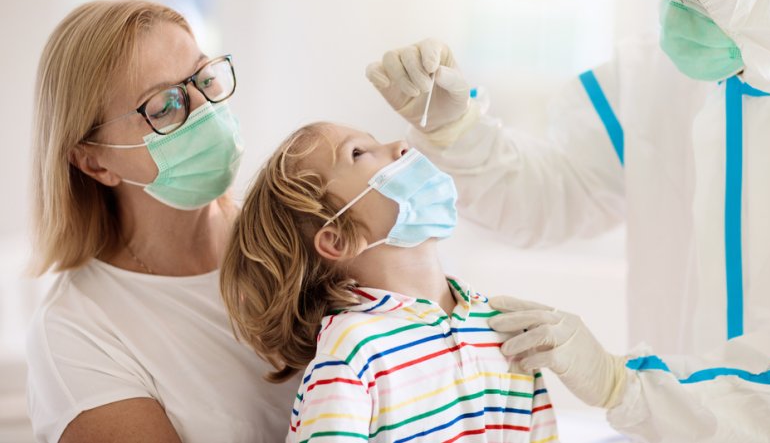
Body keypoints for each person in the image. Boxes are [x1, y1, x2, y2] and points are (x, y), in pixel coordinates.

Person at [365, 0, 770, 441]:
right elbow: (554, 196)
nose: (675, 12)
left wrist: (623, 385)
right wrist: (458, 132)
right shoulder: (655, 76)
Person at [26, 0, 296, 443]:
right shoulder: (76, 332)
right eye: (164, 105)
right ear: (94, 162)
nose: (206, 108)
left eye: (204, 77)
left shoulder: (291, 239)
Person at [219, 122, 559, 442]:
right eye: (357, 153)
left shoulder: (500, 328)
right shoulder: (353, 352)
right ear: (338, 240)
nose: (400, 146)